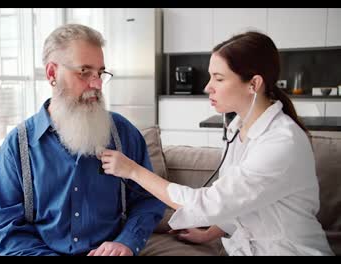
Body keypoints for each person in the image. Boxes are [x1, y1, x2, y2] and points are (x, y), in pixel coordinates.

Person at [100, 31, 334, 256]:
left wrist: (132, 170)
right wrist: (211, 232)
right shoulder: (239, 129)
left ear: (253, 84)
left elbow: (207, 203)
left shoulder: (281, 143)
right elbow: (242, 198)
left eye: (219, 78)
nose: (207, 87)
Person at [0, 24, 165, 256]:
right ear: (52, 73)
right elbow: (6, 226)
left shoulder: (124, 133)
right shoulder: (17, 146)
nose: (97, 84)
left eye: (100, 73)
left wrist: (127, 242)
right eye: (84, 72)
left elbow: (148, 200)